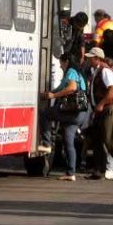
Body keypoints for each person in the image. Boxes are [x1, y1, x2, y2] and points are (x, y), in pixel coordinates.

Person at [37, 53, 90, 181]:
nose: (60, 66)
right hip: (79, 113)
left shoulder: (71, 71)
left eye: (61, 63)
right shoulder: (78, 72)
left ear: (66, 61)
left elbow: (72, 88)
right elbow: (60, 88)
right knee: (68, 141)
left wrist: (53, 97)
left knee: (45, 114)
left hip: (71, 111)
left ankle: (46, 143)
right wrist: (46, 94)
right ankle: (70, 173)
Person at [84, 47, 113, 180]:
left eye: (90, 57)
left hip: (108, 109)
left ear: (97, 58)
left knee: (109, 139)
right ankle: (99, 170)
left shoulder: (104, 71)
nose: (88, 60)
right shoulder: (96, 71)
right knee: (98, 140)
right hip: (101, 110)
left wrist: (101, 104)